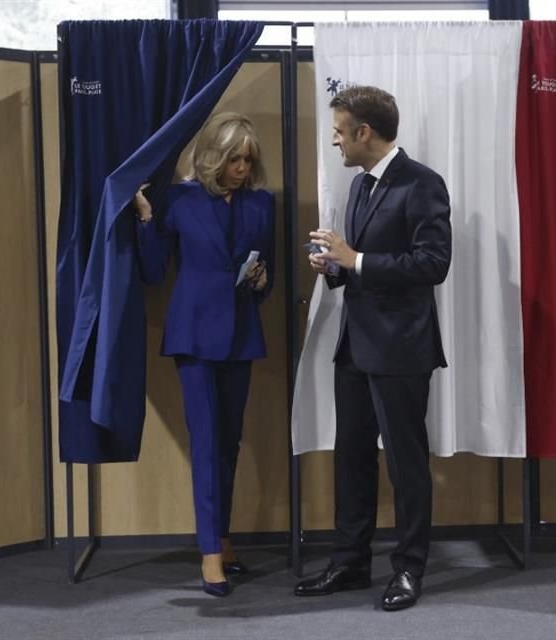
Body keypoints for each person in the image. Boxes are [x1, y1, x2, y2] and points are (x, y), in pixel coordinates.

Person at [294, 86, 452, 611]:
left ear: (365, 132)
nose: (335, 142)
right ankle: (350, 563)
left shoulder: (423, 184)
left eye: (340, 132)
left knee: (406, 465)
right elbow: (361, 263)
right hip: (355, 347)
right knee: (353, 459)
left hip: (402, 350)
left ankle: (409, 570)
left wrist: (355, 258)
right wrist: (336, 266)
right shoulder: (360, 186)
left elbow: (433, 265)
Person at [133, 112, 275, 597]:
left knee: (229, 440)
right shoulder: (180, 199)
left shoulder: (261, 203)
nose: (241, 167)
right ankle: (209, 553)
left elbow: (266, 275)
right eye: (234, 158)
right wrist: (148, 220)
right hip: (193, 334)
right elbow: (154, 272)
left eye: (248, 159)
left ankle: (224, 539)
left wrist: (261, 281)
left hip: (240, 333)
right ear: (214, 156)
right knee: (207, 442)